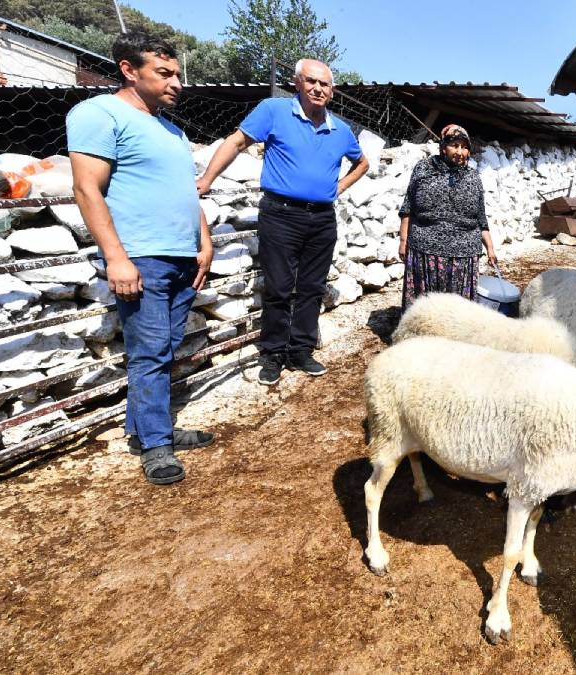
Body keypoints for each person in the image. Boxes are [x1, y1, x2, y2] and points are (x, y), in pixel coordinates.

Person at [67, 32, 215, 486]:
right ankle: (156, 446)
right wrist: (117, 257)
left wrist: (204, 242)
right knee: (149, 353)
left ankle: (150, 430)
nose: (177, 84)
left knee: (165, 348)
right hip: (142, 256)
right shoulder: (98, 114)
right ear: (129, 70)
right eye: (164, 74)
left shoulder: (171, 129)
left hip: (181, 257)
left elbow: (186, 193)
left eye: (177, 74)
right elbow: (86, 188)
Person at [196, 59, 368, 386]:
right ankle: (273, 354)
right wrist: (207, 178)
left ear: (332, 91)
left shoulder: (340, 129)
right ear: (298, 83)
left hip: (321, 218)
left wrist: (339, 187)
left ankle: (301, 350)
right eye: (311, 82)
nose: (318, 89)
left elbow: (362, 163)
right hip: (281, 214)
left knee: (312, 286)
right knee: (278, 287)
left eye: (325, 84)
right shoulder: (274, 110)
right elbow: (236, 142)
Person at [398, 124, 498, 308]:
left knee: (454, 313)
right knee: (425, 310)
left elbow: (481, 218)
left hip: (463, 255)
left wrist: (490, 248)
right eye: (455, 145)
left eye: (465, 147)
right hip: (424, 251)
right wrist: (403, 240)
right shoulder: (424, 169)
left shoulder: (473, 177)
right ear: (443, 146)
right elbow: (408, 207)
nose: (460, 152)